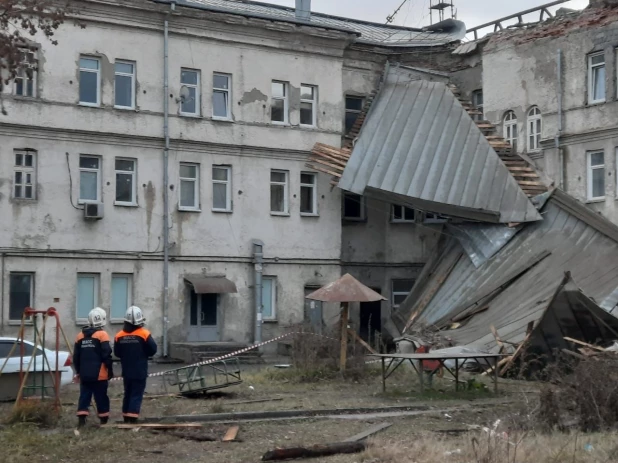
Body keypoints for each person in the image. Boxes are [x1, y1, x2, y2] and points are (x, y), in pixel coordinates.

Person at [114, 306, 157, 423]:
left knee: (127, 393)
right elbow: (153, 349)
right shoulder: (144, 334)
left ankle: (125, 416)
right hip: (140, 370)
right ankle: (132, 418)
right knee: (136, 394)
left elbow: (117, 353)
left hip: (126, 371)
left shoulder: (119, 335)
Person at [73, 307, 114, 427]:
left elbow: (76, 357)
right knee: (101, 396)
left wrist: (79, 371)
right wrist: (110, 370)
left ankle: (81, 419)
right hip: (100, 374)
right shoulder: (102, 335)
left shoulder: (80, 336)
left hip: (85, 374)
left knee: (84, 396)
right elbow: (106, 354)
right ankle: (104, 419)